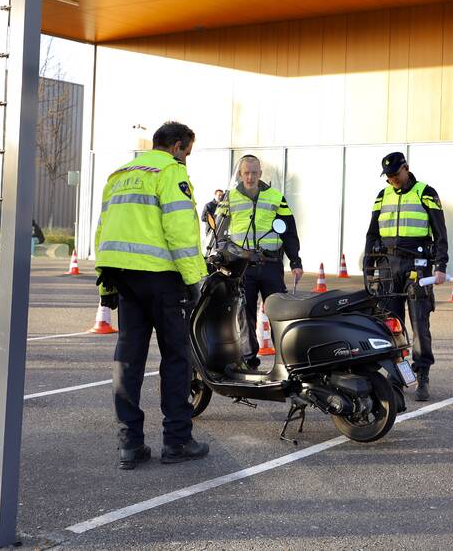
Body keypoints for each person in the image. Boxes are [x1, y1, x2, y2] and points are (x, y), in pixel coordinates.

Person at [94, 121, 211, 470]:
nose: (187, 159)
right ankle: (177, 441)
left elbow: (103, 232)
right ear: (176, 147)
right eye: (187, 152)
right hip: (163, 278)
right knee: (176, 358)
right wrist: (196, 281)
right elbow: (180, 230)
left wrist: (106, 287)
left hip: (124, 279)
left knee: (128, 359)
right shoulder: (170, 173)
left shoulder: (120, 174)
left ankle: (129, 443)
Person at [364, 151, 448, 402]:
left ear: (406, 168)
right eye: (388, 177)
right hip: (388, 264)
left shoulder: (426, 192)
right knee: (391, 322)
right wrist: (369, 263)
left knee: (419, 322)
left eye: (395, 174)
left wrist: (441, 265)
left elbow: (440, 233)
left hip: (416, 264)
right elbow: (372, 233)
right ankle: (396, 372)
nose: (392, 180)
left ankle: (422, 374)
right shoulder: (382, 195)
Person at [215, 155, 303, 368]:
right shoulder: (229, 198)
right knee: (245, 314)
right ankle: (248, 358)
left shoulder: (275, 197)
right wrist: (219, 256)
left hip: (270, 264)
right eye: (246, 172)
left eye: (254, 172)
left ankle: (285, 358)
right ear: (240, 174)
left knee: (279, 312)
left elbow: (289, 230)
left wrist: (295, 261)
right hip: (243, 265)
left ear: (260, 174)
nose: (250, 177)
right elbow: (218, 230)